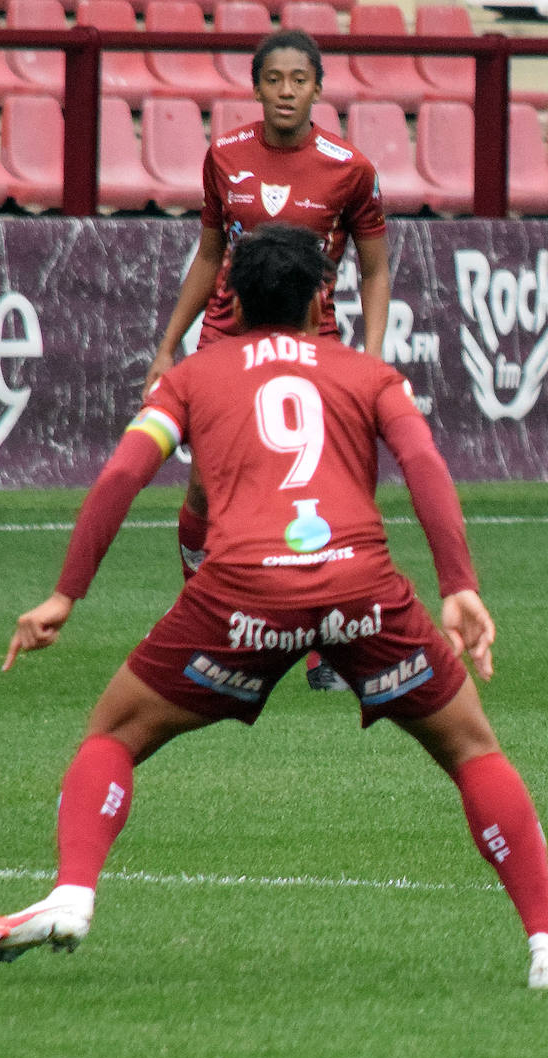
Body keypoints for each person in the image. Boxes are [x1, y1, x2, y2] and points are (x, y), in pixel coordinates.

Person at [0, 225, 548, 988]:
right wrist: (459, 583)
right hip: (360, 589)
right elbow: (426, 465)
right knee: (472, 749)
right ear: (321, 298)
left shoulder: (193, 378)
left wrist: (66, 594)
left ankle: (72, 893)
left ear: (228, 299)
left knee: (112, 733)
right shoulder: (368, 374)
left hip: (242, 593)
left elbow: (120, 479)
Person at [147, 28, 390, 693]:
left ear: (318, 87)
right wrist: (169, 345)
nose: (286, 91)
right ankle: (200, 609)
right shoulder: (224, 155)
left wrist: (369, 359)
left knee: (330, 492)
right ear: (256, 87)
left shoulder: (351, 167)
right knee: (205, 487)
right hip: (226, 342)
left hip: (317, 346)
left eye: (299, 80)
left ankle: (323, 645)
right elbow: (207, 253)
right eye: (274, 79)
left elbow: (374, 270)